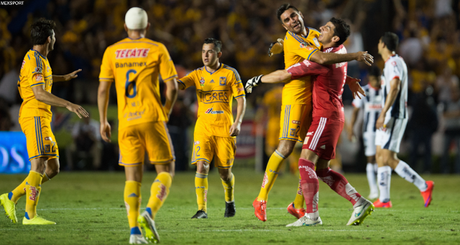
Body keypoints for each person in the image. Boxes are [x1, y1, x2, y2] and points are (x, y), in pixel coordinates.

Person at [248, 3, 373, 222]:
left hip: (321, 107)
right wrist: (351, 69)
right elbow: (325, 60)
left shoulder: (318, 38)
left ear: (301, 15)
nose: (291, 21)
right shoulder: (293, 39)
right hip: (296, 98)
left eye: (293, 16)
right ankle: (262, 198)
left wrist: (348, 78)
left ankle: (307, 211)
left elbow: (327, 59)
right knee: (290, 149)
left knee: (307, 160)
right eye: (286, 20)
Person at [97, 7, 178, 244]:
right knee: (167, 172)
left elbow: (103, 88)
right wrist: (166, 110)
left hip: (126, 122)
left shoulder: (112, 51)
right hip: (152, 118)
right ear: (148, 27)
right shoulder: (156, 48)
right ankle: (149, 213)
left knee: (132, 178)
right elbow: (171, 87)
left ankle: (134, 232)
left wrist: (103, 120)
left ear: (125, 27)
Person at [0, 18, 89, 225]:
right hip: (35, 114)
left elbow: (40, 80)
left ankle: (10, 197)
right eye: (55, 36)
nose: (56, 39)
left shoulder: (39, 60)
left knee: (53, 168)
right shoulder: (35, 60)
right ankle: (30, 215)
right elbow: (39, 93)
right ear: (49, 39)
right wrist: (68, 104)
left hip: (43, 115)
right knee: (38, 165)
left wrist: (62, 78)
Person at [177, 38, 246, 219]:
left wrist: (237, 122)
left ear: (218, 54)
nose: (205, 55)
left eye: (209, 52)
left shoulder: (231, 73)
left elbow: (241, 99)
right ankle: (202, 209)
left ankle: (229, 202)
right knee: (202, 167)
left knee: (224, 172)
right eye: (203, 51)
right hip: (203, 127)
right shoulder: (197, 74)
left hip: (225, 127)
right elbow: (179, 84)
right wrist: (168, 80)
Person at [374, 32, 434, 208]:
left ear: (383, 45)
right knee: (379, 154)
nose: (377, 45)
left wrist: (383, 112)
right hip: (389, 114)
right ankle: (384, 199)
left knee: (389, 158)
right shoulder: (391, 63)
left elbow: (394, 87)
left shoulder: (393, 62)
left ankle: (424, 185)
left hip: (393, 115)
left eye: (379, 42)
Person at [347, 66, 383, 199]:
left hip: (384, 131)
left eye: (378, 79)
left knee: (382, 159)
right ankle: (374, 190)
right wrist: (351, 128)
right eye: (374, 79)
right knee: (371, 159)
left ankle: (381, 189)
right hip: (369, 131)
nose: (376, 82)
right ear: (370, 79)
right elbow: (356, 110)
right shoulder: (364, 91)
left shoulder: (385, 91)